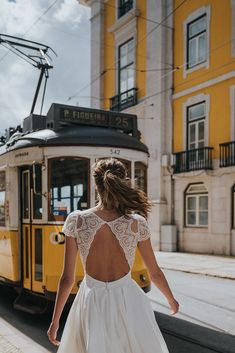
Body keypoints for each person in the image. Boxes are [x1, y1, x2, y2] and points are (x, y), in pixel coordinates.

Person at [47, 158, 179, 353]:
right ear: (122, 181)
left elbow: (67, 279)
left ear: (95, 185)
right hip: (129, 300)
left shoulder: (76, 220)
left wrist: (55, 321)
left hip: (91, 301)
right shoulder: (137, 222)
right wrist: (171, 300)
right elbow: (155, 273)